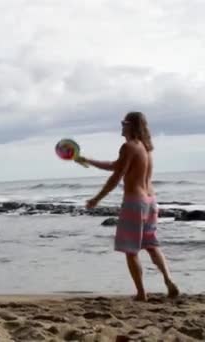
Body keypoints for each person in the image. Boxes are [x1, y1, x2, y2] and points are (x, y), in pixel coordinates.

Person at [79, 112, 179, 301]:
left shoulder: (128, 146)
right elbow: (115, 165)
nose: (121, 125)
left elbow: (116, 176)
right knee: (151, 245)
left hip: (135, 203)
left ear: (132, 126)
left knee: (131, 251)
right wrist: (88, 160)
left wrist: (97, 199)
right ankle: (168, 279)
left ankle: (141, 294)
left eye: (124, 122)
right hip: (151, 202)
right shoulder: (145, 148)